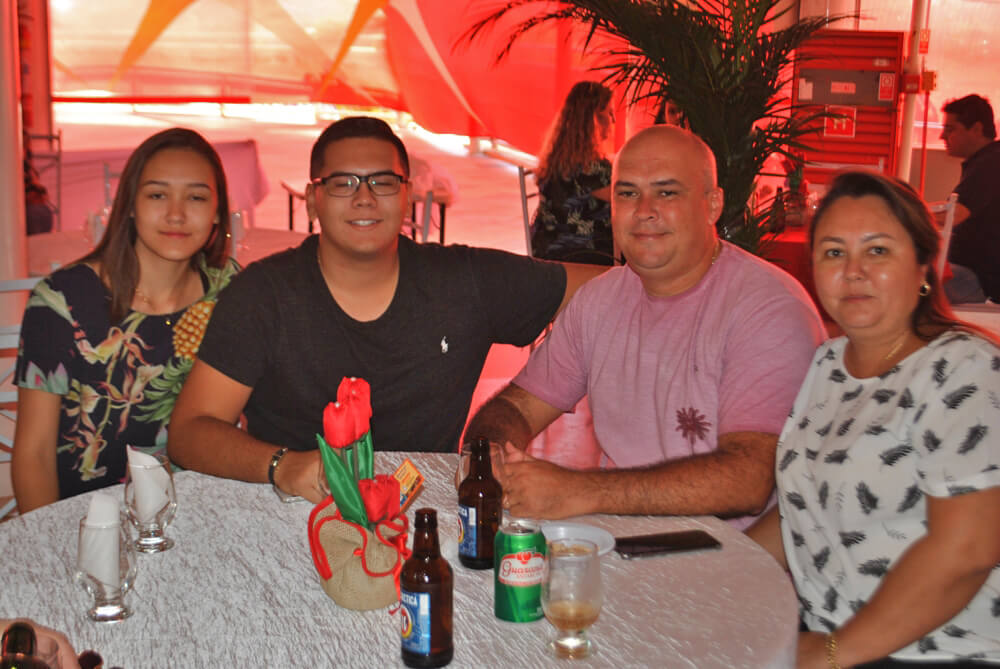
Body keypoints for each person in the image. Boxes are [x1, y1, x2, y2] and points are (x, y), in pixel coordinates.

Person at [167, 117, 603, 504]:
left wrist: (529, 401)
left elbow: (609, 289)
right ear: (313, 199)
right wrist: (284, 465)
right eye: (343, 183)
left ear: (408, 195)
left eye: (383, 182)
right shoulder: (264, 294)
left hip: (427, 519)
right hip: (291, 513)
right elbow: (189, 432)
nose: (364, 197)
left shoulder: (464, 280)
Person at [462, 125, 826, 527]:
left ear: (712, 205)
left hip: (732, 552)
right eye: (628, 193)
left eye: (667, 193)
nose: (644, 210)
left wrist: (580, 491)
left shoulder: (768, 308)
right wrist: (488, 455)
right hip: (620, 540)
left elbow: (748, 480)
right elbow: (517, 407)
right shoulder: (600, 300)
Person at [747, 172, 1000, 667]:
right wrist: (714, 562)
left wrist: (832, 652)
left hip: (942, 652)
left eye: (877, 250)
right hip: (832, 636)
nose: (853, 272)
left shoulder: (964, 369)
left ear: (924, 265)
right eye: (833, 252)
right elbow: (804, 506)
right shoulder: (829, 363)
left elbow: (967, 551)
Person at [12, 127, 239, 513]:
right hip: (87, 521)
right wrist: (52, 542)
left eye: (196, 197)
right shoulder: (61, 302)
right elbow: (33, 453)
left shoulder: (229, 291)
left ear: (218, 211)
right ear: (130, 204)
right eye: (157, 195)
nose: (176, 214)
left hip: (201, 514)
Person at [530, 81, 615, 265]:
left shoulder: (558, 155)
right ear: (595, 119)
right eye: (610, 113)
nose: (613, 120)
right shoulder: (590, 167)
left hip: (546, 247)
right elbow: (623, 199)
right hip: (577, 251)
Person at [937, 94, 1000, 303]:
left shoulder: (990, 164)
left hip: (980, 279)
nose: (942, 136)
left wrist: (899, 213)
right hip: (976, 273)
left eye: (950, 129)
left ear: (976, 129)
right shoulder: (986, 161)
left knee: (906, 286)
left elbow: (951, 214)